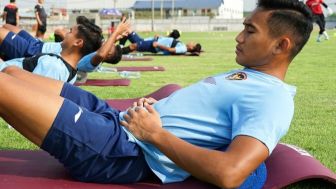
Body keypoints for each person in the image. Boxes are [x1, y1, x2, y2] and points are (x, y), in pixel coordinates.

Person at [0, 0, 313, 188]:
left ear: (281, 45)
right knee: (13, 73)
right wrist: (158, 106)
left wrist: (156, 134)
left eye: (250, 30)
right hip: (117, 118)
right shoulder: (249, 75)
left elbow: (231, 173)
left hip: (121, 149)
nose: (239, 36)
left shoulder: (273, 99)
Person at [0, 16, 103, 84]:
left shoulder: (53, 66)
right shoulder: (68, 71)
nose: (66, 33)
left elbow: (28, 94)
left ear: (78, 42)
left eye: (70, 32)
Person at [121, 30, 201, 55]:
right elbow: (169, 42)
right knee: (128, 33)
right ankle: (120, 47)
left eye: (193, 43)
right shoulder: (183, 46)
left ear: (191, 47)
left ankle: (118, 52)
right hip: (153, 40)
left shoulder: (183, 48)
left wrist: (157, 44)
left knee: (134, 46)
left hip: (154, 45)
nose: (191, 42)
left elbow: (170, 50)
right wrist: (160, 37)